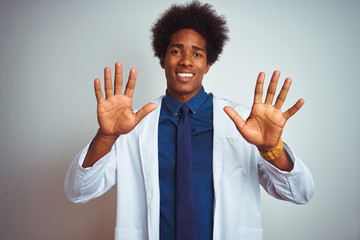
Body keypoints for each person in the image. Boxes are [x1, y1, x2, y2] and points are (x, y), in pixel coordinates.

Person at [64, 1, 314, 240]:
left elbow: (301, 193)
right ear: (162, 59)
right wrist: (106, 136)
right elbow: (78, 191)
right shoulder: (132, 125)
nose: (185, 60)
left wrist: (271, 149)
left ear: (208, 64)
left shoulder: (243, 123)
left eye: (197, 53)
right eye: (176, 51)